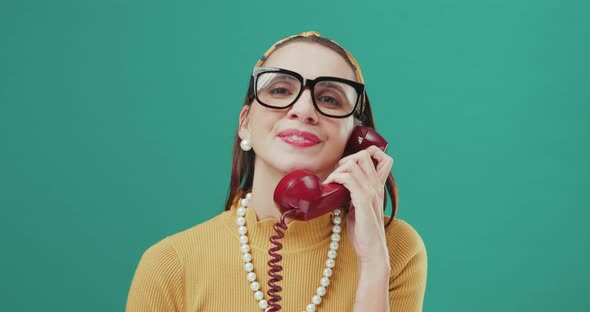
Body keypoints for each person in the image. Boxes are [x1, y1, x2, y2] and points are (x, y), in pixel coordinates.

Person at [126, 31, 427, 312]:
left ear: (355, 139)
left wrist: (373, 263)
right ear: (245, 123)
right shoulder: (170, 264)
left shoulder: (395, 248)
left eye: (329, 98)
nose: (304, 109)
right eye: (281, 90)